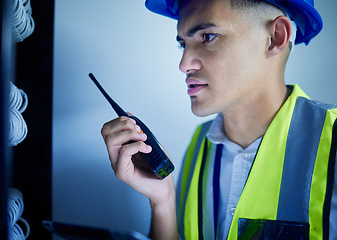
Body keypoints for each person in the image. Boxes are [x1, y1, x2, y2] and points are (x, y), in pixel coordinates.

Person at [100, 0, 337, 239]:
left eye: (208, 37)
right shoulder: (200, 142)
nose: (184, 64)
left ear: (275, 37)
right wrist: (164, 201)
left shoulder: (333, 140)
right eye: (182, 44)